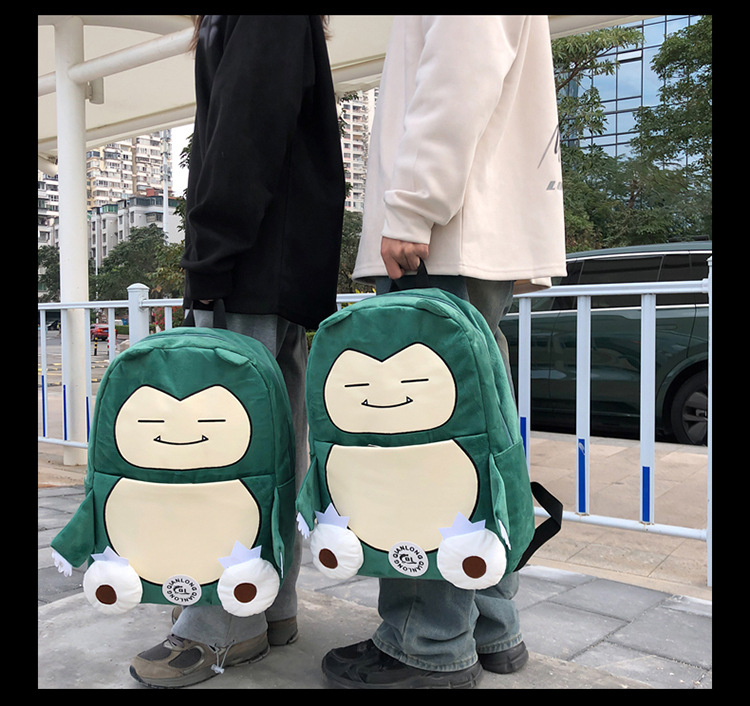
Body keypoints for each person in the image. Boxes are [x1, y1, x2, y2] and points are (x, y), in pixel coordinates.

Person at [322, 15, 567, 689]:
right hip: (464, 230)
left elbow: (463, 62)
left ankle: (425, 642)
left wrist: (411, 206)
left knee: (420, 444)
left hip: (443, 231)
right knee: (476, 438)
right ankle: (490, 627)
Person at [129, 15, 345, 688]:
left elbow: (246, 127)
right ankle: (269, 606)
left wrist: (209, 254)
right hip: (275, 258)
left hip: (248, 257)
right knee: (272, 440)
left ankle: (221, 623)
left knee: (220, 446)